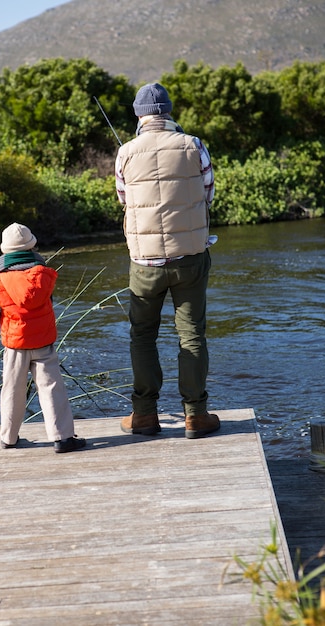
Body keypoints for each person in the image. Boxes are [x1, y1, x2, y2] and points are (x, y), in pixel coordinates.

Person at [115, 82, 220, 439]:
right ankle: (196, 415)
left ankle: (144, 415)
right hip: (190, 256)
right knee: (191, 337)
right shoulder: (194, 144)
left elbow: (123, 199)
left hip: (144, 263)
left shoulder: (125, 152)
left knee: (142, 337)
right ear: (169, 111)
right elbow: (209, 192)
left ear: (139, 115)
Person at [0, 222, 86, 453]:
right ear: (31, 246)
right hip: (43, 342)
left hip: (14, 344)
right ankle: (62, 438)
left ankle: (8, 438)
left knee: (12, 389)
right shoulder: (44, 276)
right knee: (52, 388)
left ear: (5, 250)